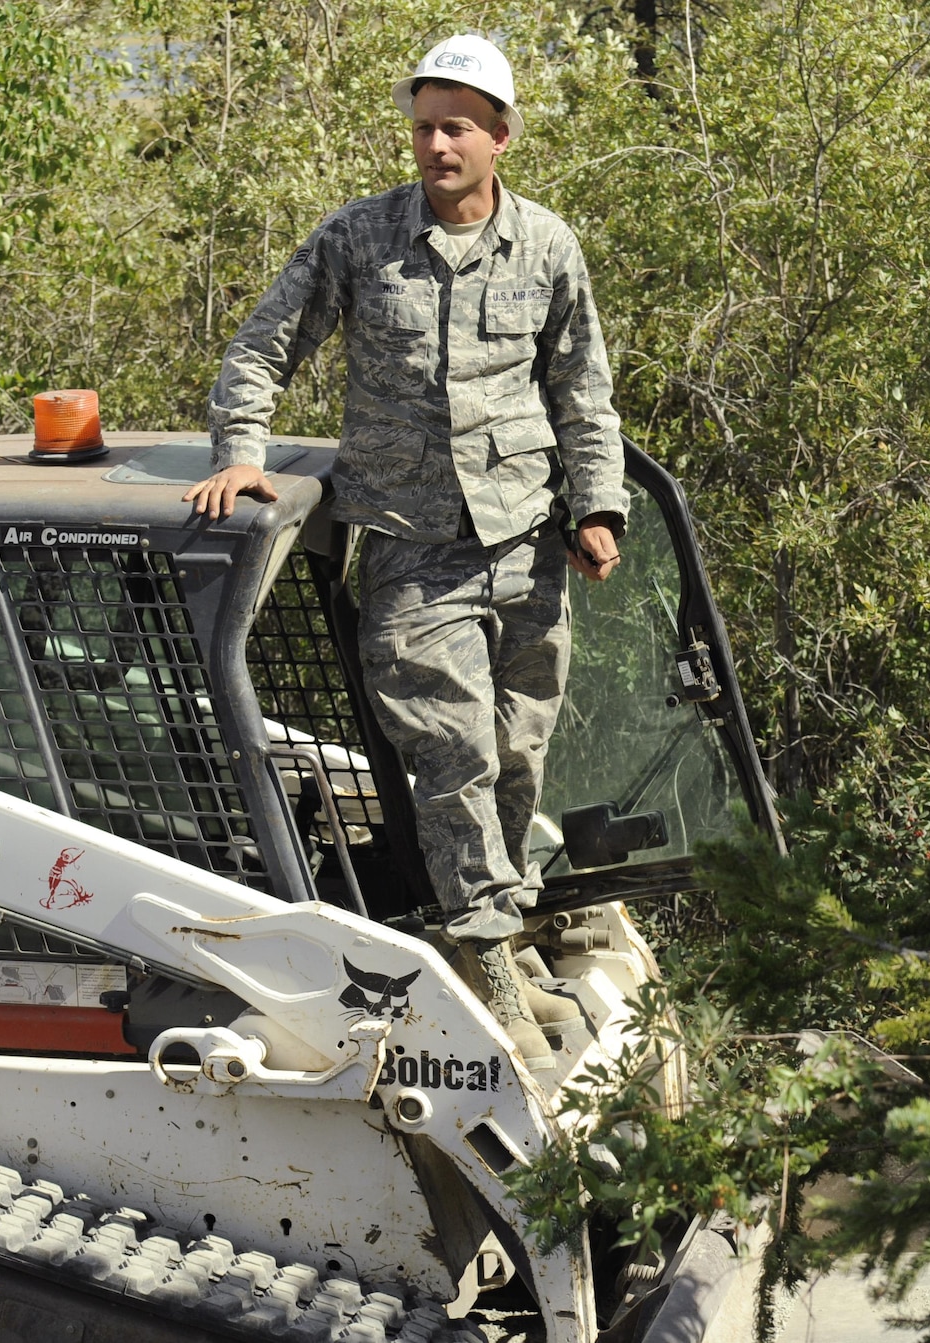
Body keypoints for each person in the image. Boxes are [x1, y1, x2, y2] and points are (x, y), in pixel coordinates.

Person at [184, 34, 627, 1069]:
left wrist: (596, 506)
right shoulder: (359, 238)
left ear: (498, 137)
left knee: (517, 752)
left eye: (455, 127)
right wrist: (243, 454)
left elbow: (582, 391)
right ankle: (484, 962)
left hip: (524, 545)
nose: (435, 144)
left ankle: (501, 930)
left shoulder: (547, 247)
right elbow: (261, 347)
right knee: (454, 755)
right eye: (423, 125)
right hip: (406, 548)